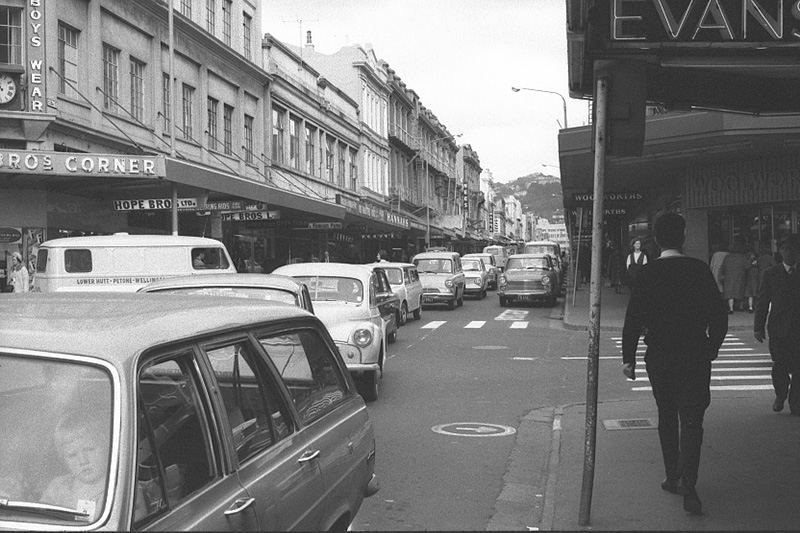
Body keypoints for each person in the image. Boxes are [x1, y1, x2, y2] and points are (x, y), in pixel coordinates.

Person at [622, 212, 728, 516]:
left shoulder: (647, 274)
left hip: (660, 357)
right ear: (683, 237)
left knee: (667, 415)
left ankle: (672, 475)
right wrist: (712, 347)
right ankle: (689, 484)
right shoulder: (698, 270)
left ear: (656, 239)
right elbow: (719, 316)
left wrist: (629, 359)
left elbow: (633, 320)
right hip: (695, 354)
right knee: (693, 420)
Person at [754, 235, 800, 415]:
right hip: (779, 329)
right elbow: (763, 301)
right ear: (780, 252)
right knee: (780, 365)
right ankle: (781, 394)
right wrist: (758, 326)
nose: (789, 252)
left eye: (792, 248)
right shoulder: (771, 274)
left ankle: (796, 402)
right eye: (785, 248)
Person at [41, 416, 109, 521]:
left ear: (107, 447)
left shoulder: (117, 489)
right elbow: (40, 519)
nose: (83, 461)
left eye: (89, 449)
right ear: (63, 459)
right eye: (72, 455)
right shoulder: (58, 487)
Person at [719, 241, 748, 314]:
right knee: (739, 291)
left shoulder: (727, 257)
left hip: (729, 277)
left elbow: (723, 267)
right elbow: (747, 267)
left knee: (730, 293)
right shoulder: (743, 257)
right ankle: (740, 306)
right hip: (740, 277)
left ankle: (731, 308)